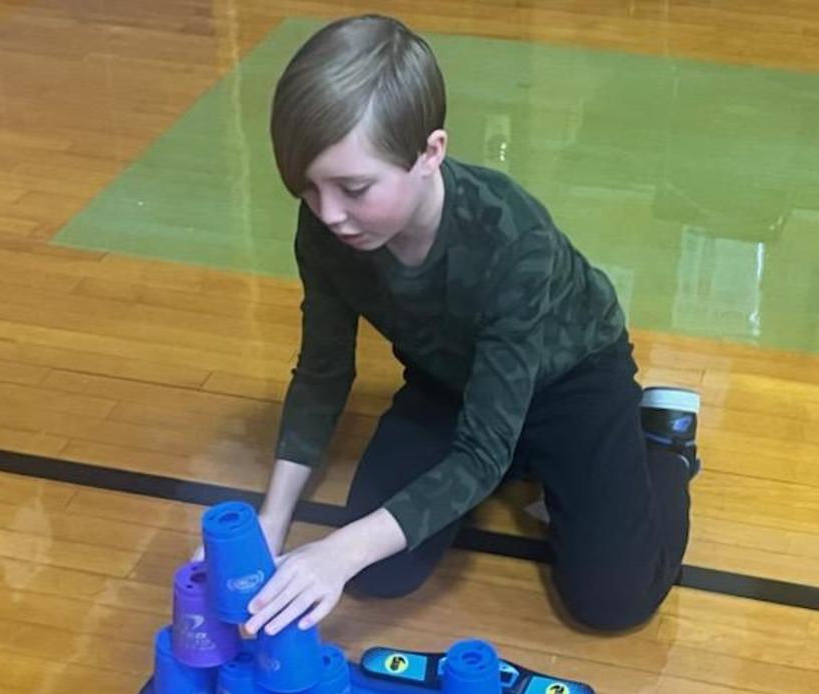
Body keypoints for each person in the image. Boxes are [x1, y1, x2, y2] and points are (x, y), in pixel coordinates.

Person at [234, 14, 699, 637]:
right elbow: (322, 372)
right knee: (380, 574)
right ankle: (523, 460)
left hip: (570, 378)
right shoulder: (326, 227)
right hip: (451, 376)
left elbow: (480, 452)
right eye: (308, 190)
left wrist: (337, 550)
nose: (330, 214)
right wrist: (272, 521)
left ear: (430, 152)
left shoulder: (512, 237)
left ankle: (663, 447)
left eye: (353, 188)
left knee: (614, 601)